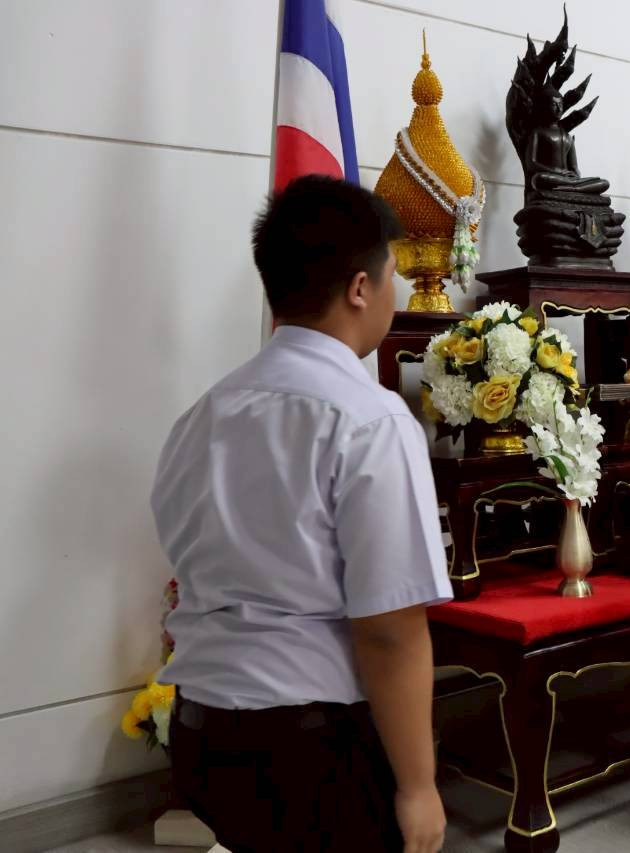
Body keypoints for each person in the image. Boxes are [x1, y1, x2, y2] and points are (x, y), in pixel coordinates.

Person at [152, 176, 452, 852]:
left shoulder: (201, 416)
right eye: (392, 275)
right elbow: (390, 631)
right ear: (358, 288)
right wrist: (419, 785)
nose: (397, 293)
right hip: (312, 750)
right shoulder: (371, 419)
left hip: (200, 737)